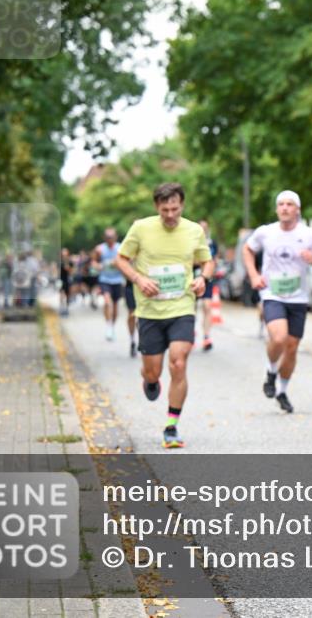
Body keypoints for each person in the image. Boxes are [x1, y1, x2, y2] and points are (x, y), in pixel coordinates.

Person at [115, 182, 213, 449]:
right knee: (153, 371)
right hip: (149, 311)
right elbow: (121, 259)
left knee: (178, 363)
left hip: (182, 307)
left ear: (182, 205)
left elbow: (207, 261)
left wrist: (203, 278)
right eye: (165, 210)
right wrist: (138, 279)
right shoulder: (141, 228)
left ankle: (171, 426)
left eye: (175, 209)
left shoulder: (194, 230)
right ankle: (149, 380)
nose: (170, 215)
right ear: (156, 207)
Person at [243, 190, 312, 414]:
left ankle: (282, 390)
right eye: (281, 204)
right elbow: (247, 249)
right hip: (272, 295)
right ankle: (271, 371)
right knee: (278, 338)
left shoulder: (309, 235)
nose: (285, 208)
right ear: (276, 209)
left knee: (291, 348)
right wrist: (253, 275)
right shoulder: (266, 232)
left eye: (290, 204)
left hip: (298, 297)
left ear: (297, 209)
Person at [95, 229, 125, 340]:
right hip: (105, 279)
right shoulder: (100, 249)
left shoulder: (121, 248)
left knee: (115, 305)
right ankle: (108, 326)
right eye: (107, 237)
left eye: (111, 237)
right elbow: (94, 262)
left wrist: (117, 263)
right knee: (107, 302)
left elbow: (126, 261)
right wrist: (97, 266)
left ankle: (112, 326)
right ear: (104, 238)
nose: (109, 239)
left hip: (117, 280)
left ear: (115, 237)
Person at [195, 220, 219, 351]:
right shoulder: (190, 241)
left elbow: (214, 260)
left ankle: (206, 336)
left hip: (207, 278)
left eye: (205, 227)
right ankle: (190, 333)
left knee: (207, 306)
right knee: (191, 309)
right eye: (201, 227)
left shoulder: (211, 243)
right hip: (192, 277)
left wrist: (211, 268)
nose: (203, 230)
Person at [59, 248, 73, 317]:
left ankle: (66, 308)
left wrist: (68, 267)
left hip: (67, 279)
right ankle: (62, 307)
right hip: (60, 280)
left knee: (67, 294)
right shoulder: (59, 261)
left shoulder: (70, 262)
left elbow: (71, 271)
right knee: (61, 293)